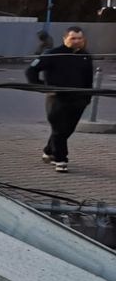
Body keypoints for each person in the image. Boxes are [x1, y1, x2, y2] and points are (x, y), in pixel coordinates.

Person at [25, 26, 93, 172]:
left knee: (67, 130)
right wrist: (43, 87)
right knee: (59, 129)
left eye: (79, 38)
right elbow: (31, 71)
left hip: (78, 100)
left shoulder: (85, 56)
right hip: (57, 99)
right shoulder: (52, 54)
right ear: (65, 38)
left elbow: (89, 79)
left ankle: (48, 150)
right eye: (73, 38)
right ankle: (61, 159)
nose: (77, 41)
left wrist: (88, 98)